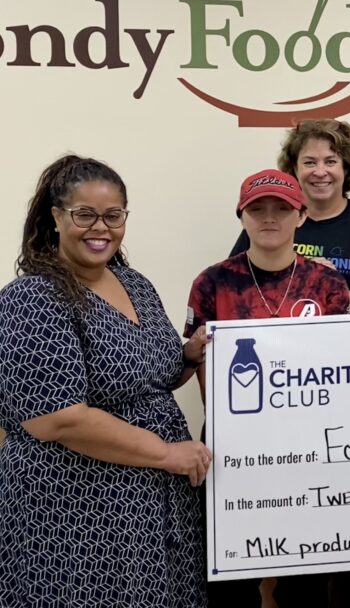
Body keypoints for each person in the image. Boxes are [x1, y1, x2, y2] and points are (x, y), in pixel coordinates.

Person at [0, 155, 210, 607]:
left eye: (113, 215)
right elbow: (57, 419)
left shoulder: (135, 284)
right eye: (85, 214)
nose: (101, 227)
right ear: (56, 218)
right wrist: (167, 453)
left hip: (153, 508)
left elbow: (149, 375)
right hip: (76, 511)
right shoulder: (34, 297)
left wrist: (189, 357)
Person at [185, 169, 350, 607]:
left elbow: (347, 370)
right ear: (242, 216)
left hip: (309, 451)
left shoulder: (329, 285)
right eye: (257, 209)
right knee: (231, 581)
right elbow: (183, 367)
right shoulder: (212, 282)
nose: (270, 218)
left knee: (307, 583)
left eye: (281, 208)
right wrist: (193, 350)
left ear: (301, 216)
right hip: (230, 453)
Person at [231, 119, 350, 310]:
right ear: (294, 169)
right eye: (309, 162)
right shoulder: (269, 222)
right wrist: (298, 279)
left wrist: (333, 286)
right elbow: (232, 288)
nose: (320, 172)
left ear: (346, 168)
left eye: (330, 161)